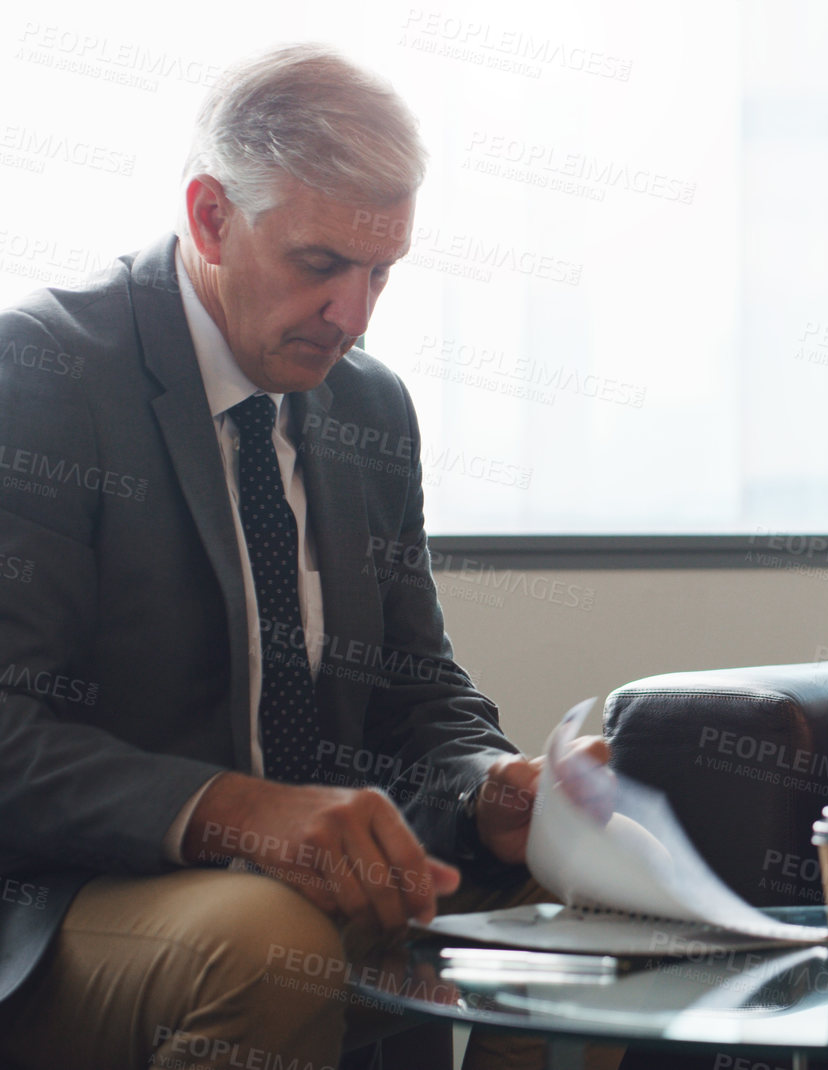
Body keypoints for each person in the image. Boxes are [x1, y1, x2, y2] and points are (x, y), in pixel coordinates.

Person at [0, 45, 615, 1070]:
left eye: (381, 271)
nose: (355, 317)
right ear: (209, 216)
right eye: (321, 264)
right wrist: (236, 814)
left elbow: (420, 693)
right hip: (68, 894)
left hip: (311, 876)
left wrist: (493, 783)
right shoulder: (44, 374)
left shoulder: (367, 402)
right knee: (270, 944)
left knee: (591, 894)